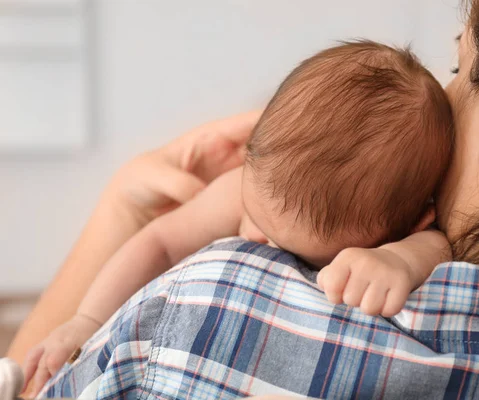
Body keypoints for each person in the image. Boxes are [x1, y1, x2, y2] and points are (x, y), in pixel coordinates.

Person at [11, 0, 479, 398]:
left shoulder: (206, 309)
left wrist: (121, 204)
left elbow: (40, 381)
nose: (254, 243)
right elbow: (161, 241)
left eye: (456, 62)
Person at [23, 41, 453, 391]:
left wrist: (399, 260)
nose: (257, 239)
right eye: (257, 219)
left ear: (412, 220)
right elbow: (158, 242)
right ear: (253, 146)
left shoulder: (409, 235)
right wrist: (87, 321)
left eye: (297, 251)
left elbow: (438, 246)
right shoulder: (242, 188)